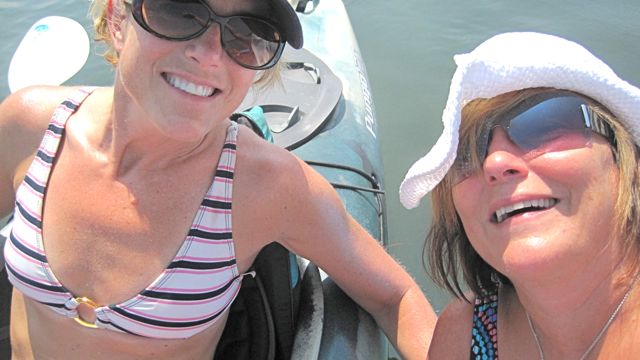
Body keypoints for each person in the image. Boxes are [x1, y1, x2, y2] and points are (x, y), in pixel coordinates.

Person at [0, 0, 436, 358]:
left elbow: (394, 298)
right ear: (117, 18)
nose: (209, 55)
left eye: (247, 35)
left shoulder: (265, 186)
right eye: (179, 12)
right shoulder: (30, 126)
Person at [399, 32, 640, 359]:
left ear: (626, 163)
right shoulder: (461, 337)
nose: (495, 163)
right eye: (467, 152)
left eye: (545, 124)